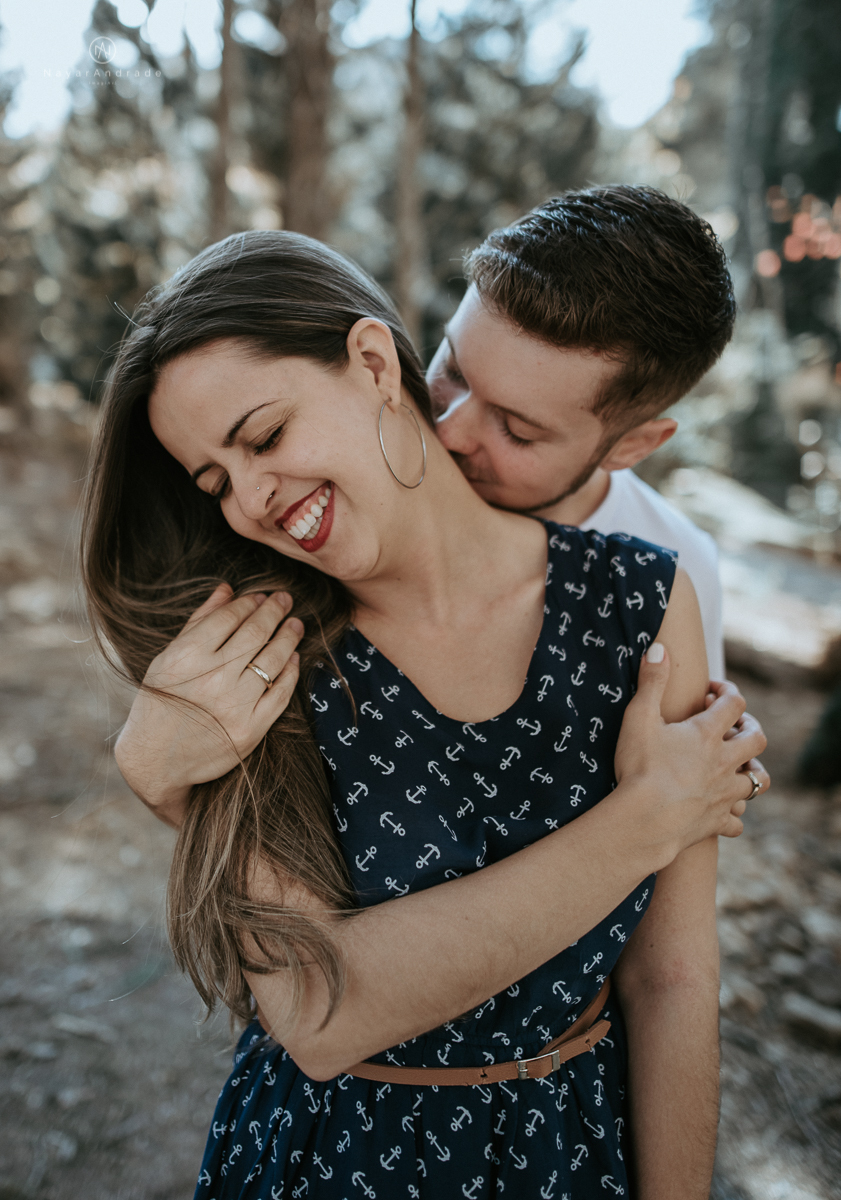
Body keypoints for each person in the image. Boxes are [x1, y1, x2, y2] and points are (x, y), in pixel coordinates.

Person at [82, 231, 767, 1199]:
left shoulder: (639, 601)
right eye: (215, 481)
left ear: (371, 363)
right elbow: (320, 1013)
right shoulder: (249, 654)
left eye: (263, 437)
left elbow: (672, 981)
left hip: (568, 1153)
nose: (251, 501)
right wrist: (643, 822)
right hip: (326, 1163)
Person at [428, 185, 731, 679]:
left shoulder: (677, 576)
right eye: (453, 371)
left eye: (517, 430)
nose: (447, 434)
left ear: (631, 446)